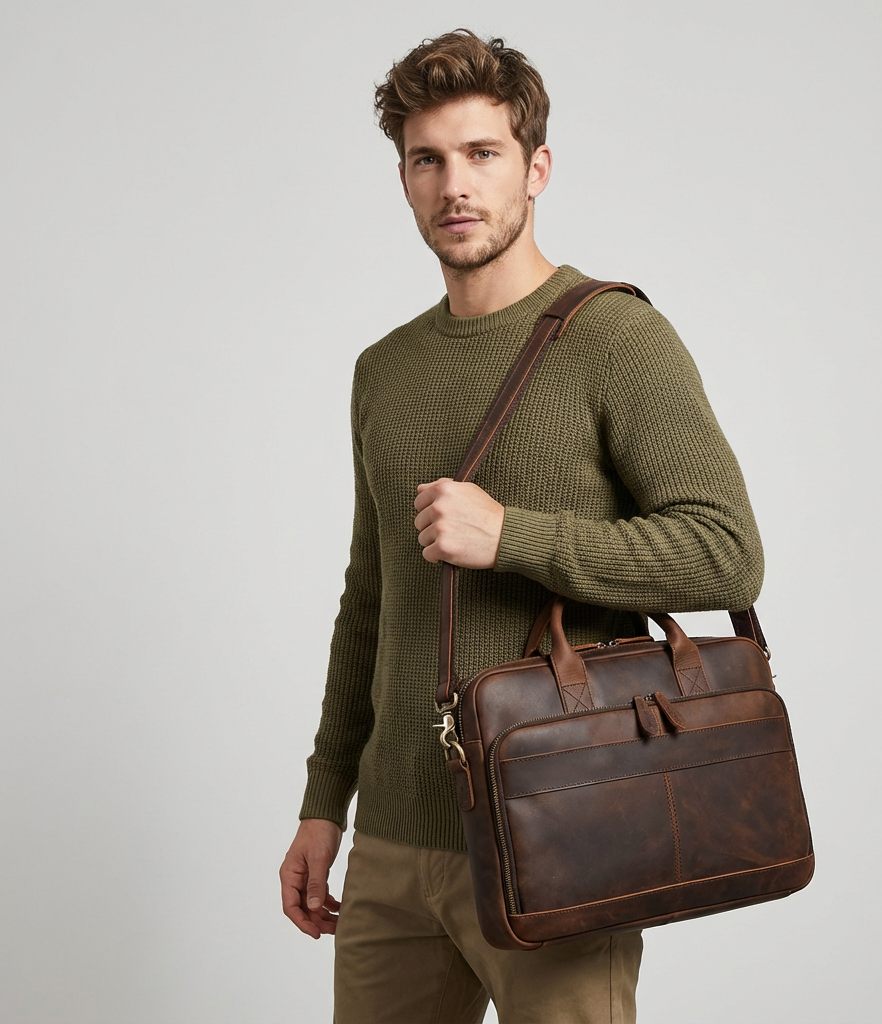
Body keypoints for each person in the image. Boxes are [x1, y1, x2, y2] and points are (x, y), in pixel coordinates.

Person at [279, 28, 764, 1024]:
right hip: (394, 847)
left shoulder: (613, 337)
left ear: (535, 167)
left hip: (562, 827)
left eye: (481, 153)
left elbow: (727, 551)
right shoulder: (386, 370)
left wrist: (514, 537)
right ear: (405, 179)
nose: (454, 184)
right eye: (427, 159)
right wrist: (325, 801)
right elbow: (370, 601)